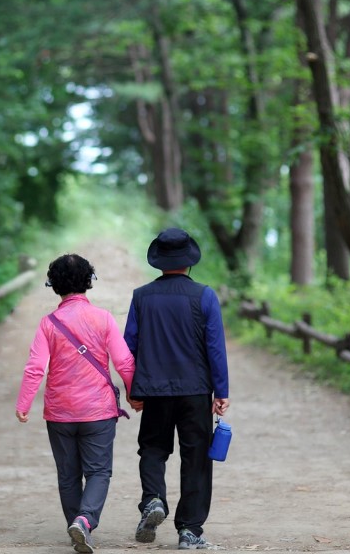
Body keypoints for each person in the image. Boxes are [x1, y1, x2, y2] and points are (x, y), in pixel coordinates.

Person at [15, 253, 138, 554]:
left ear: (53, 285)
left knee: (68, 474)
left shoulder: (48, 324)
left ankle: (77, 525)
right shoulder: (104, 318)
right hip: (98, 412)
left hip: (60, 413)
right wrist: (135, 394)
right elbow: (124, 361)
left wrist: (24, 403)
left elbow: (35, 367)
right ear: (88, 282)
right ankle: (84, 521)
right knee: (98, 472)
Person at [123, 227, 230, 550]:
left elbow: (129, 345)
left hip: (154, 390)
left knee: (153, 449)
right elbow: (215, 348)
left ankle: (153, 499)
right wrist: (221, 390)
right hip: (195, 390)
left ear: (159, 261)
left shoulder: (141, 296)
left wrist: (133, 388)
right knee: (196, 456)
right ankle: (190, 530)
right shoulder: (204, 295)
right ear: (189, 261)